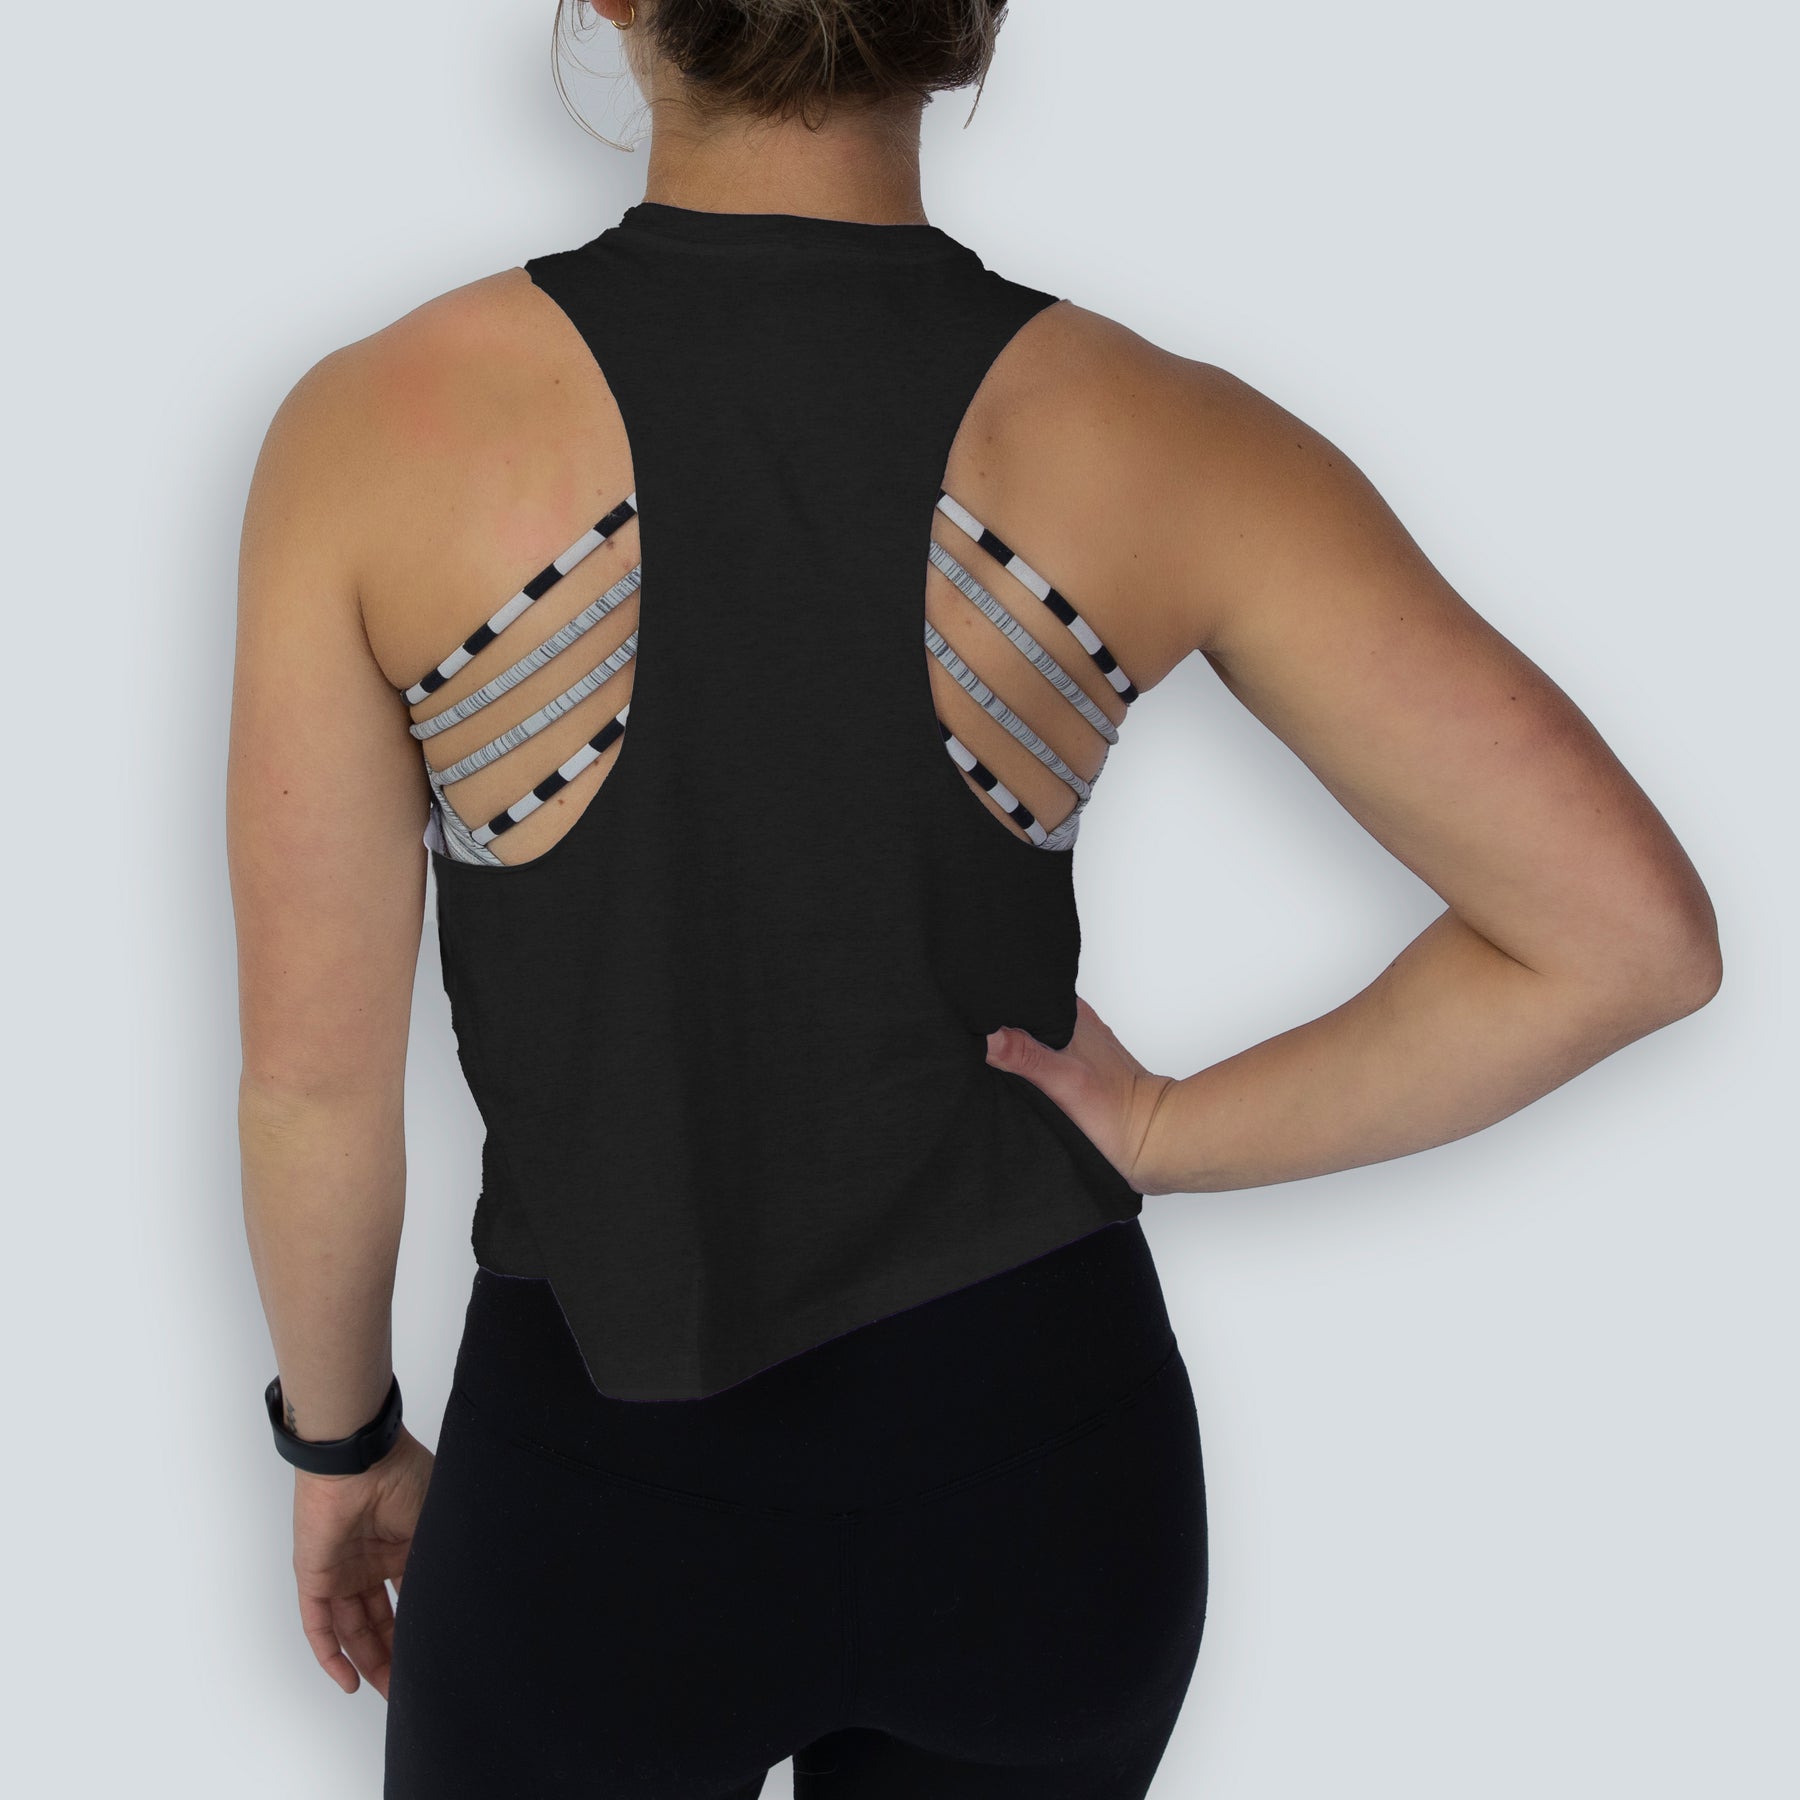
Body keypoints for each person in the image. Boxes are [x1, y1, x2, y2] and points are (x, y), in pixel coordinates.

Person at [226, 3, 1722, 1795]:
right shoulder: (1159, 434)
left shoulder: (374, 432)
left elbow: (314, 1086)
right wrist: (1163, 1131)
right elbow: (1620, 937)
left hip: (598, 1510)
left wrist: (340, 1450)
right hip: (1040, 1491)